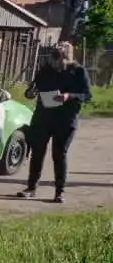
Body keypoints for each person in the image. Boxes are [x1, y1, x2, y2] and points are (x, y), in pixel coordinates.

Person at [16, 41, 93, 203]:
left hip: (65, 119)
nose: (55, 64)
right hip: (43, 117)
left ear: (67, 58)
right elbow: (32, 90)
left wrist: (69, 96)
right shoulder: (45, 70)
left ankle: (59, 191)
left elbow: (87, 95)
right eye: (53, 60)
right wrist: (30, 92)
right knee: (37, 152)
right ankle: (31, 188)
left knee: (59, 154)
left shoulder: (78, 72)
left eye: (59, 60)